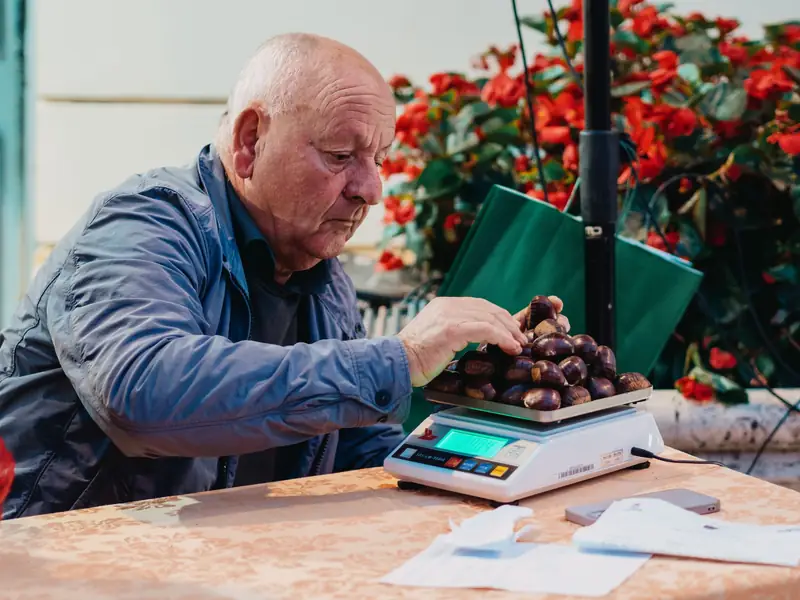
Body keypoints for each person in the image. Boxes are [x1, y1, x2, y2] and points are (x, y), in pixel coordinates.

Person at [0, 33, 568, 519]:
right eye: (342, 155)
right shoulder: (141, 225)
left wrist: (496, 425)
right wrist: (401, 358)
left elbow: (357, 448)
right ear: (250, 142)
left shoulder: (317, 268)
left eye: (381, 159)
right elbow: (143, 393)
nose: (371, 189)